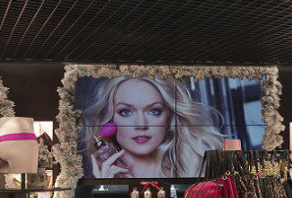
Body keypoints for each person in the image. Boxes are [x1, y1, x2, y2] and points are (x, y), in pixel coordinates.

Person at [81, 76, 224, 178]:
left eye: (154, 111)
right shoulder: (98, 176)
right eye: (125, 112)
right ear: (110, 120)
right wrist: (106, 189)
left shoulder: (199, 169)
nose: (141, 124)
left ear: (168, 117)